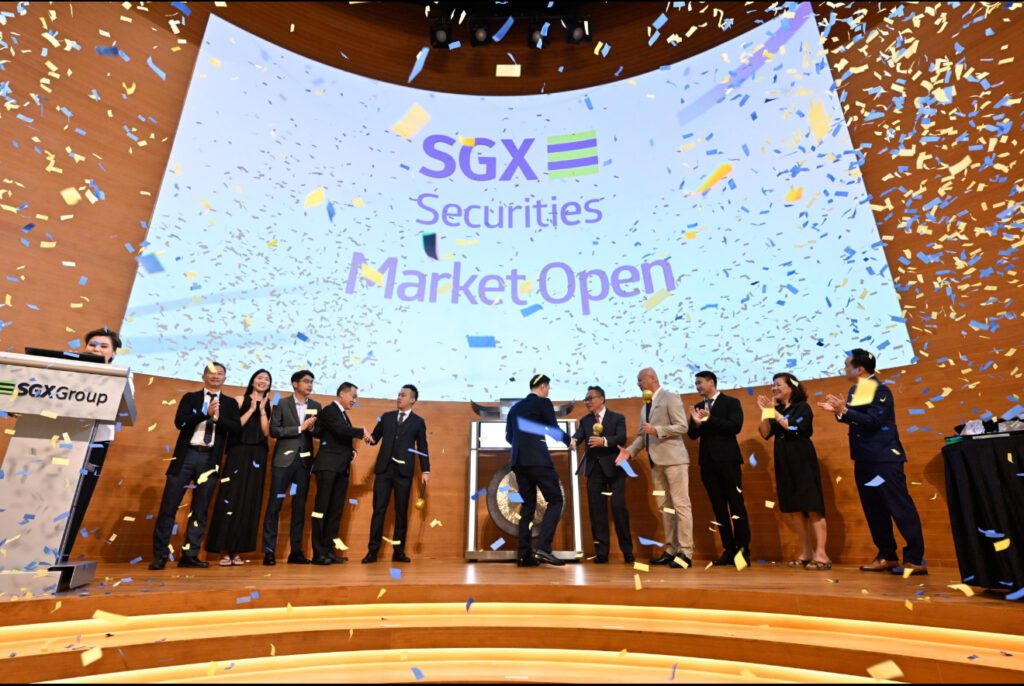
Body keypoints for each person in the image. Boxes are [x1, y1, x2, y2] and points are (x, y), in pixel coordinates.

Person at [819, 349, 926, 576]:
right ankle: (887, 555)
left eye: (847, 365)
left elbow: (874, 421)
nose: (844, 369)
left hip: (884, 458)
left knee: (899, 507)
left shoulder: (880, 389)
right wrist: (840, 413)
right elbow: (857, 419)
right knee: (873, 509)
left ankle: (915, 559)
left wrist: (844, 410)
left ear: (860, 369)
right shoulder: (856, 390)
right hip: (864, 458)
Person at [149, 363, 241, 570]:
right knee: (168, 507)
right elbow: (180, 423)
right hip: (186, 456)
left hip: (210, 459)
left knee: (200, 510)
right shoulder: (190, 398)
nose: (216, 376)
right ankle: (160, 556)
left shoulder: (229, 403)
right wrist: (204, 414)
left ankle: (190, 555)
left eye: (220, 374)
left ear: (225, 378)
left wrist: (217, 419)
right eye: (212, 373)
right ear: (203, 376)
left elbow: (235, 428)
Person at [59, 328, 123, 562]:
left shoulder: (121, 376)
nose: (96, 349)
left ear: (113, 353)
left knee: (77, 498)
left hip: (94, 443)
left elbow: (121, 407)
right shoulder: (66, 370)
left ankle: (61, 554)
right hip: (59, 439)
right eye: (92, 345)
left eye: (103, 346)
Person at [619, 368, 693, 568]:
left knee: (681, 505)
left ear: (652, 378)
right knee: (665, 507)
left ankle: (686, 552)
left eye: (640, 380)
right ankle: (671, 549)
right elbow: (642, 436)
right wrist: (629, 452)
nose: (638, 384)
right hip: (656, 464)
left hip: (674, 461)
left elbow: (682, 426)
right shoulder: (645, 406)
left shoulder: (670, 398)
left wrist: (657, 430)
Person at [757, 373, 830, 570]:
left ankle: (821, 554)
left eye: (778, 385)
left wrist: (774, 412)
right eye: (772, 385)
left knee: (812, 507)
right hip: (784, 461)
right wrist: (766, 413)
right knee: (795, 510)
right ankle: (806, 553)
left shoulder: (802, 407)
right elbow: (765, 433)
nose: (774, 388)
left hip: (802, 459)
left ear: (791, 387)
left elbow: (794, 427)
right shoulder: (777, 409)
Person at [205, 369, 273, 566]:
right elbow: (234, 427)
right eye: (259, 378)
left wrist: (262, 411)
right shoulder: (238, 400)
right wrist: (251, 410)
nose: (263, 381)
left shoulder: (269, 404)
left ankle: (237, 551)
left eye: (266, 379)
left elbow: (266, 432)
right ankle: (223, 551)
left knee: (249, 501)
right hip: (238, 452)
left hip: (258, 454)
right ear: (252, 381)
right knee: (231, 497)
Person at [505, 374, 570, 567]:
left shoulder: (514, 408)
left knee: (527, 507)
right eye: (548, 388)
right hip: (538, 460)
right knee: (556, 499)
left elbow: (509, 437)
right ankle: (544, 548)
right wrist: (570, 441)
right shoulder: (543, 403)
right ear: (542, 387)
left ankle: (524, 556)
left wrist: (523, 445)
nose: (548, 391)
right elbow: (553, 429)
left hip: (518, 461)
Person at [687, 371, 751, 566]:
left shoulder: (731, 402)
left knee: (736, 505)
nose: (697, 386)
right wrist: (697, 424)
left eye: (700, 382)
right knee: (718, 507)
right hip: (707, 463)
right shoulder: (698, 406)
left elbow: (735, 426)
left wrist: (710, 419)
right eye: (696, 383)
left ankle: (743, 551)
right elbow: (692, 435)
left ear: (711, 382)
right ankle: (728, 549)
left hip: (728, 460)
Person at [362, 384, 430, 564]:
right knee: (379, 511)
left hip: (403, 473)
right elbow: (374, 439)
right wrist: (368, 438)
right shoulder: (387, 417)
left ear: (412, 400)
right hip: (384, 471)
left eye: (403, 395)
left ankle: (398, 552)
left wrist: (425, 470)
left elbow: (422, 447)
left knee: (401, 512)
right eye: (398, 394)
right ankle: (372, 552)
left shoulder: (418, 422)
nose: (399, 397)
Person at [261, 370, 321, 566]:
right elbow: (274, 430)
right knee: (274, 506)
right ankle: (269, 552)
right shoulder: (281, 403)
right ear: (295, 384)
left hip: (304, 464)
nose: (310, 385)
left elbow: (318, 432)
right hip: (283, 462)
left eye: (312, 382)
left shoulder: (316, 406)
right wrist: (299, 428)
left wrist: (312, 428)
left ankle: (296, 552)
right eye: (306, 381)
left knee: (299, 507)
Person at [570, 385, 632, 564]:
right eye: (585, 399)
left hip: (615, 469)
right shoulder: (585, 420)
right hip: (594, 470)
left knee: (619, 509)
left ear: (601, 399)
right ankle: (601, 553)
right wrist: (574, 440)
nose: (587, 402)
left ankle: (627, 552)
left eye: (590, 398)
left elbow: (621, 437)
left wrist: (604, 441)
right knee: (597, 512)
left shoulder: (617, 417)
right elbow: (579, 435)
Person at [310, 382, 370, 565]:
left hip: (341, 468)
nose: (354, 400)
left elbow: (335, 437)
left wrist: (351, 450)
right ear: (342, 393)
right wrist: (361, 432)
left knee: (335, 511)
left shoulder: (343, 414)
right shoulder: (329, 410)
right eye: (353, 396)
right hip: (328, 467)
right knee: (321, 510)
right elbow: (339, 430)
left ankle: (329, 550)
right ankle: (318, 553)